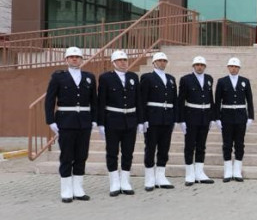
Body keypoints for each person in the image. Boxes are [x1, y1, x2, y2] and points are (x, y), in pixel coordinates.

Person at [46, 46, 97, 203]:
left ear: (82, 59)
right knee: (67, 155)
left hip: (84, 121)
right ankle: (66, 190)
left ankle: (78, 189)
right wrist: (50, 120)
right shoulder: (58, 77)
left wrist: (94, 119)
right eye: (72, 57)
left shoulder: (89, 77)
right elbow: (49, 100)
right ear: (66, 59)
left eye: (77, 57)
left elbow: (93, 100)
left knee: (82, 155)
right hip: (65, 120)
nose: (75, 59)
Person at [97, 50, 142, 196]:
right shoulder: (106, 78)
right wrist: (101, 123)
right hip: (113, 120)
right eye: (120, 60)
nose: (123, 62)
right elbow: (101, 101)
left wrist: (140, 121)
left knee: (128, 152)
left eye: (125, 60)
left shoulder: (133, 77)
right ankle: (114, 182)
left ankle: (125, 181)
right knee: (112, 152)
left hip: (130, 120)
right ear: (113, 62)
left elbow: (138, 101)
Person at [141, 52, 178, 191]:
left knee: (164, 148)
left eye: (164, 61)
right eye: (160, 60)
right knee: (150, 147)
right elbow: (143, 100)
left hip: (167, 118)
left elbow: (175, 100)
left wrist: (175, 118)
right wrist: (143, 119)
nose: (162, 63)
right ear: (154, 63)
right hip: (152, 118)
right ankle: (149, 178)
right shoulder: (147, 78)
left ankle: (161, 176)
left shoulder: (170, 78)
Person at [177, 56, 216, 185]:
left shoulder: (209, 79)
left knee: (201, 145)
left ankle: (199, 172)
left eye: (202, 65)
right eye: (197, 64)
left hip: (205, 116)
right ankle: (189, 173)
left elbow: (211, 98)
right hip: (191, 116)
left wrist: (212, 117)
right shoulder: (186, 79)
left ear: (205, 66)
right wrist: (181, 119)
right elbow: (181, 100)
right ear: (193, 66)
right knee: (189, 145)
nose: (199, 67)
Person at [215, 57, 255, 183]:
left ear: (239, 68)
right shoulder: (222, 81)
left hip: (240, 116)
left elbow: (250, 100)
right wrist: (216, 118)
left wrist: (250, 117)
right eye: (231, 66)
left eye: (236, 67)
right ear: (228, 67)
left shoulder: (245, 81)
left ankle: (237, 171)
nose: (233, 69)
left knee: (239, 144)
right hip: (226, 116)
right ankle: (227, 171)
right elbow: (217, 101)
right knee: (227, 144)